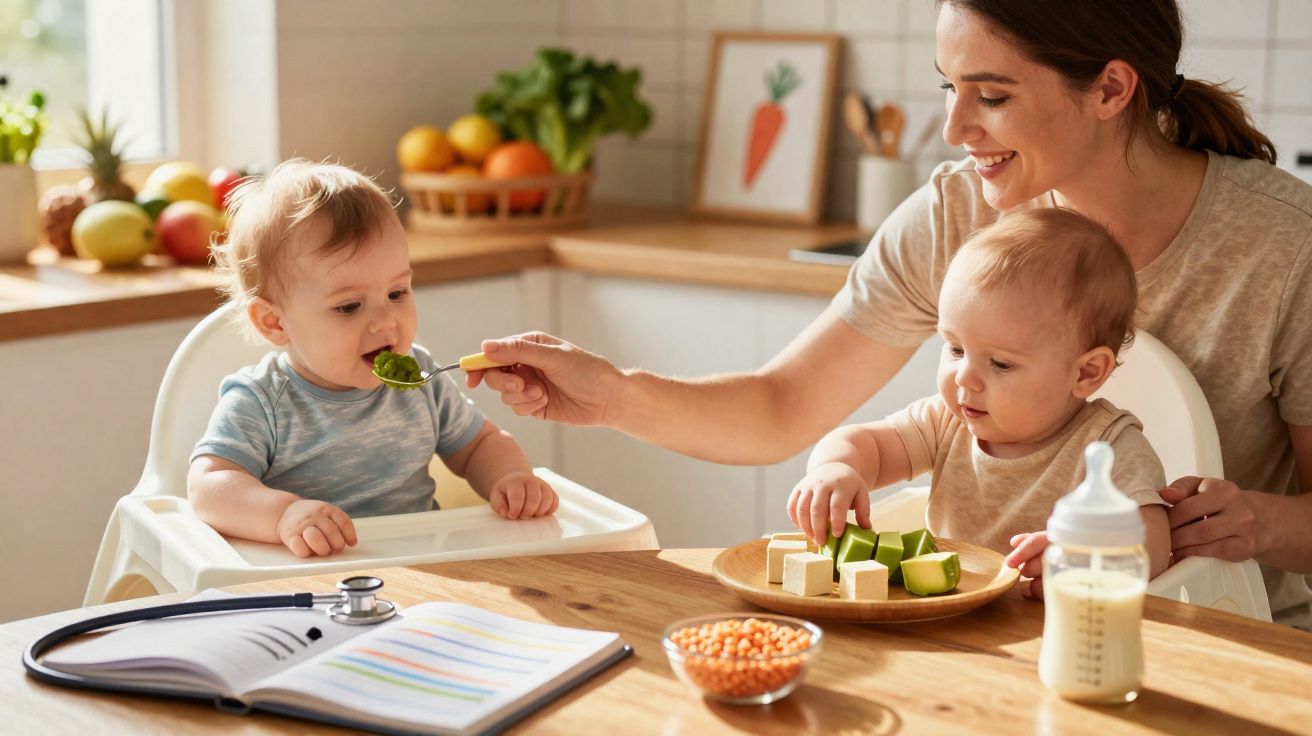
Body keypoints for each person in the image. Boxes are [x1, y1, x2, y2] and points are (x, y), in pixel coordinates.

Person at [469, 0, 1312, 628]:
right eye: (949, 88)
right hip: (995, 633)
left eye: (991, 95)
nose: (953, 127)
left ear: (1111, 88)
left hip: (1225, 639)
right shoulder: (957, 215)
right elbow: (781, 410)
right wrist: (610, 393)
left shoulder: (1281, 247)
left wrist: (1258, 522)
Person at [784, 209, 1171, 590]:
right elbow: (866, 444)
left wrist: (1081, 555)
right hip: (945, 623)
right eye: (954, 348)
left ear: (1086, 373)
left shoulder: (1108, 447)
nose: (964, 376)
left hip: (1054, 633)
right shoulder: (945, 422)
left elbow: (1152, 543)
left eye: (1000, 363)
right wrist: (835, 469)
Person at [191, 159, 557, 559]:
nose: (385, 321)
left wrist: (511, 478)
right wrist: (282, 515)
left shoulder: (420, 380)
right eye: (349, 307)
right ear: (275, 323)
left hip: (422, 563)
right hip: (313, 578)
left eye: (397, 293)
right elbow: (209, 486)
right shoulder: (261, 403)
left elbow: (479, 445)